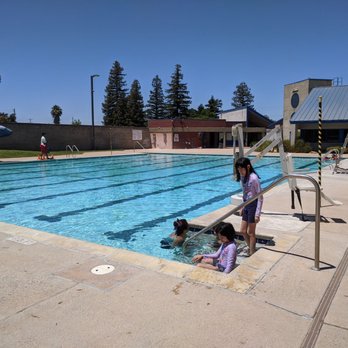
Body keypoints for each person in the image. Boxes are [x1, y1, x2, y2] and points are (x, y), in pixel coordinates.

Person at [234, 157, 263, 256]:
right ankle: (251, 248)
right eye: (238, 169)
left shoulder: (254, 178)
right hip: (246, 205)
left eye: (241, 169)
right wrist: (243, 206)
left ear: (248, 167)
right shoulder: (243, 177)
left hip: (253, 206)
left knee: (251, 232)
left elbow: (260, 197)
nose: (240, 171)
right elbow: (245, 192)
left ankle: (252, 252)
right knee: (242, 231)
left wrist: (257, 214)